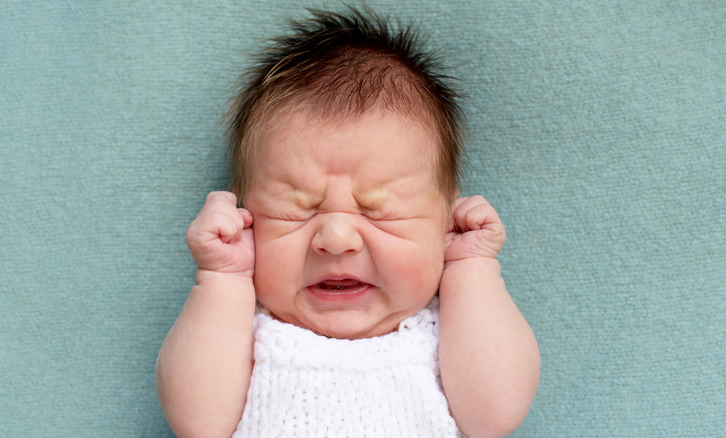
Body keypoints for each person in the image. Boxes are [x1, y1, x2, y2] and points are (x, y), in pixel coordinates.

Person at [156, 6, 540, 438]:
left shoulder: (446, 336)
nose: (336, 239)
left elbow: (495, 417)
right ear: (246, 220)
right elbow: (197, 425)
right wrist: (222, 277)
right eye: (297, 208)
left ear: (446, 222)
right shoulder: (243, 330)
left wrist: (472, 267)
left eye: (378, 209)